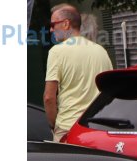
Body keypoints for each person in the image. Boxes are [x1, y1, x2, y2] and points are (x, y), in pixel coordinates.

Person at [43, 5, 113, 141]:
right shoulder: (101, 51)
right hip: (97, 128)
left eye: (52, 25)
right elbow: (109, 92)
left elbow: (48, 97)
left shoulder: (57, 52)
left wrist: (54, 125)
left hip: (68, 129)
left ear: (65, 24)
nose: (51, 29)